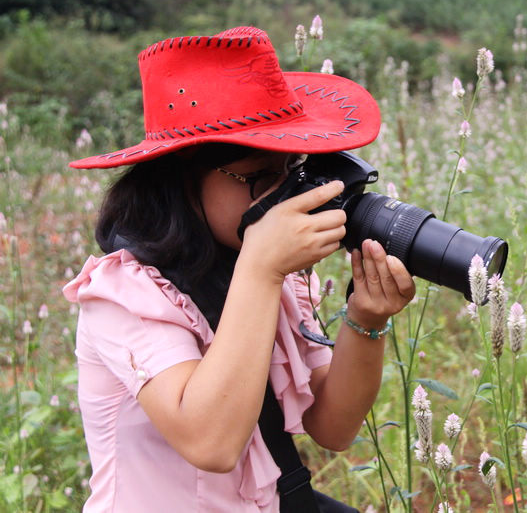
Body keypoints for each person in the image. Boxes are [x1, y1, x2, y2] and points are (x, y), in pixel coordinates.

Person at [63, 26, 415, 512]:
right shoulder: (124, 293)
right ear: (181, 180)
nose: (281, 195)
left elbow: (334, 427)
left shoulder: (267, 267)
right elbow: (211, 444)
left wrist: (366, 319)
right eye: (258, 177)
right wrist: (261, 269)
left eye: (291, 171)